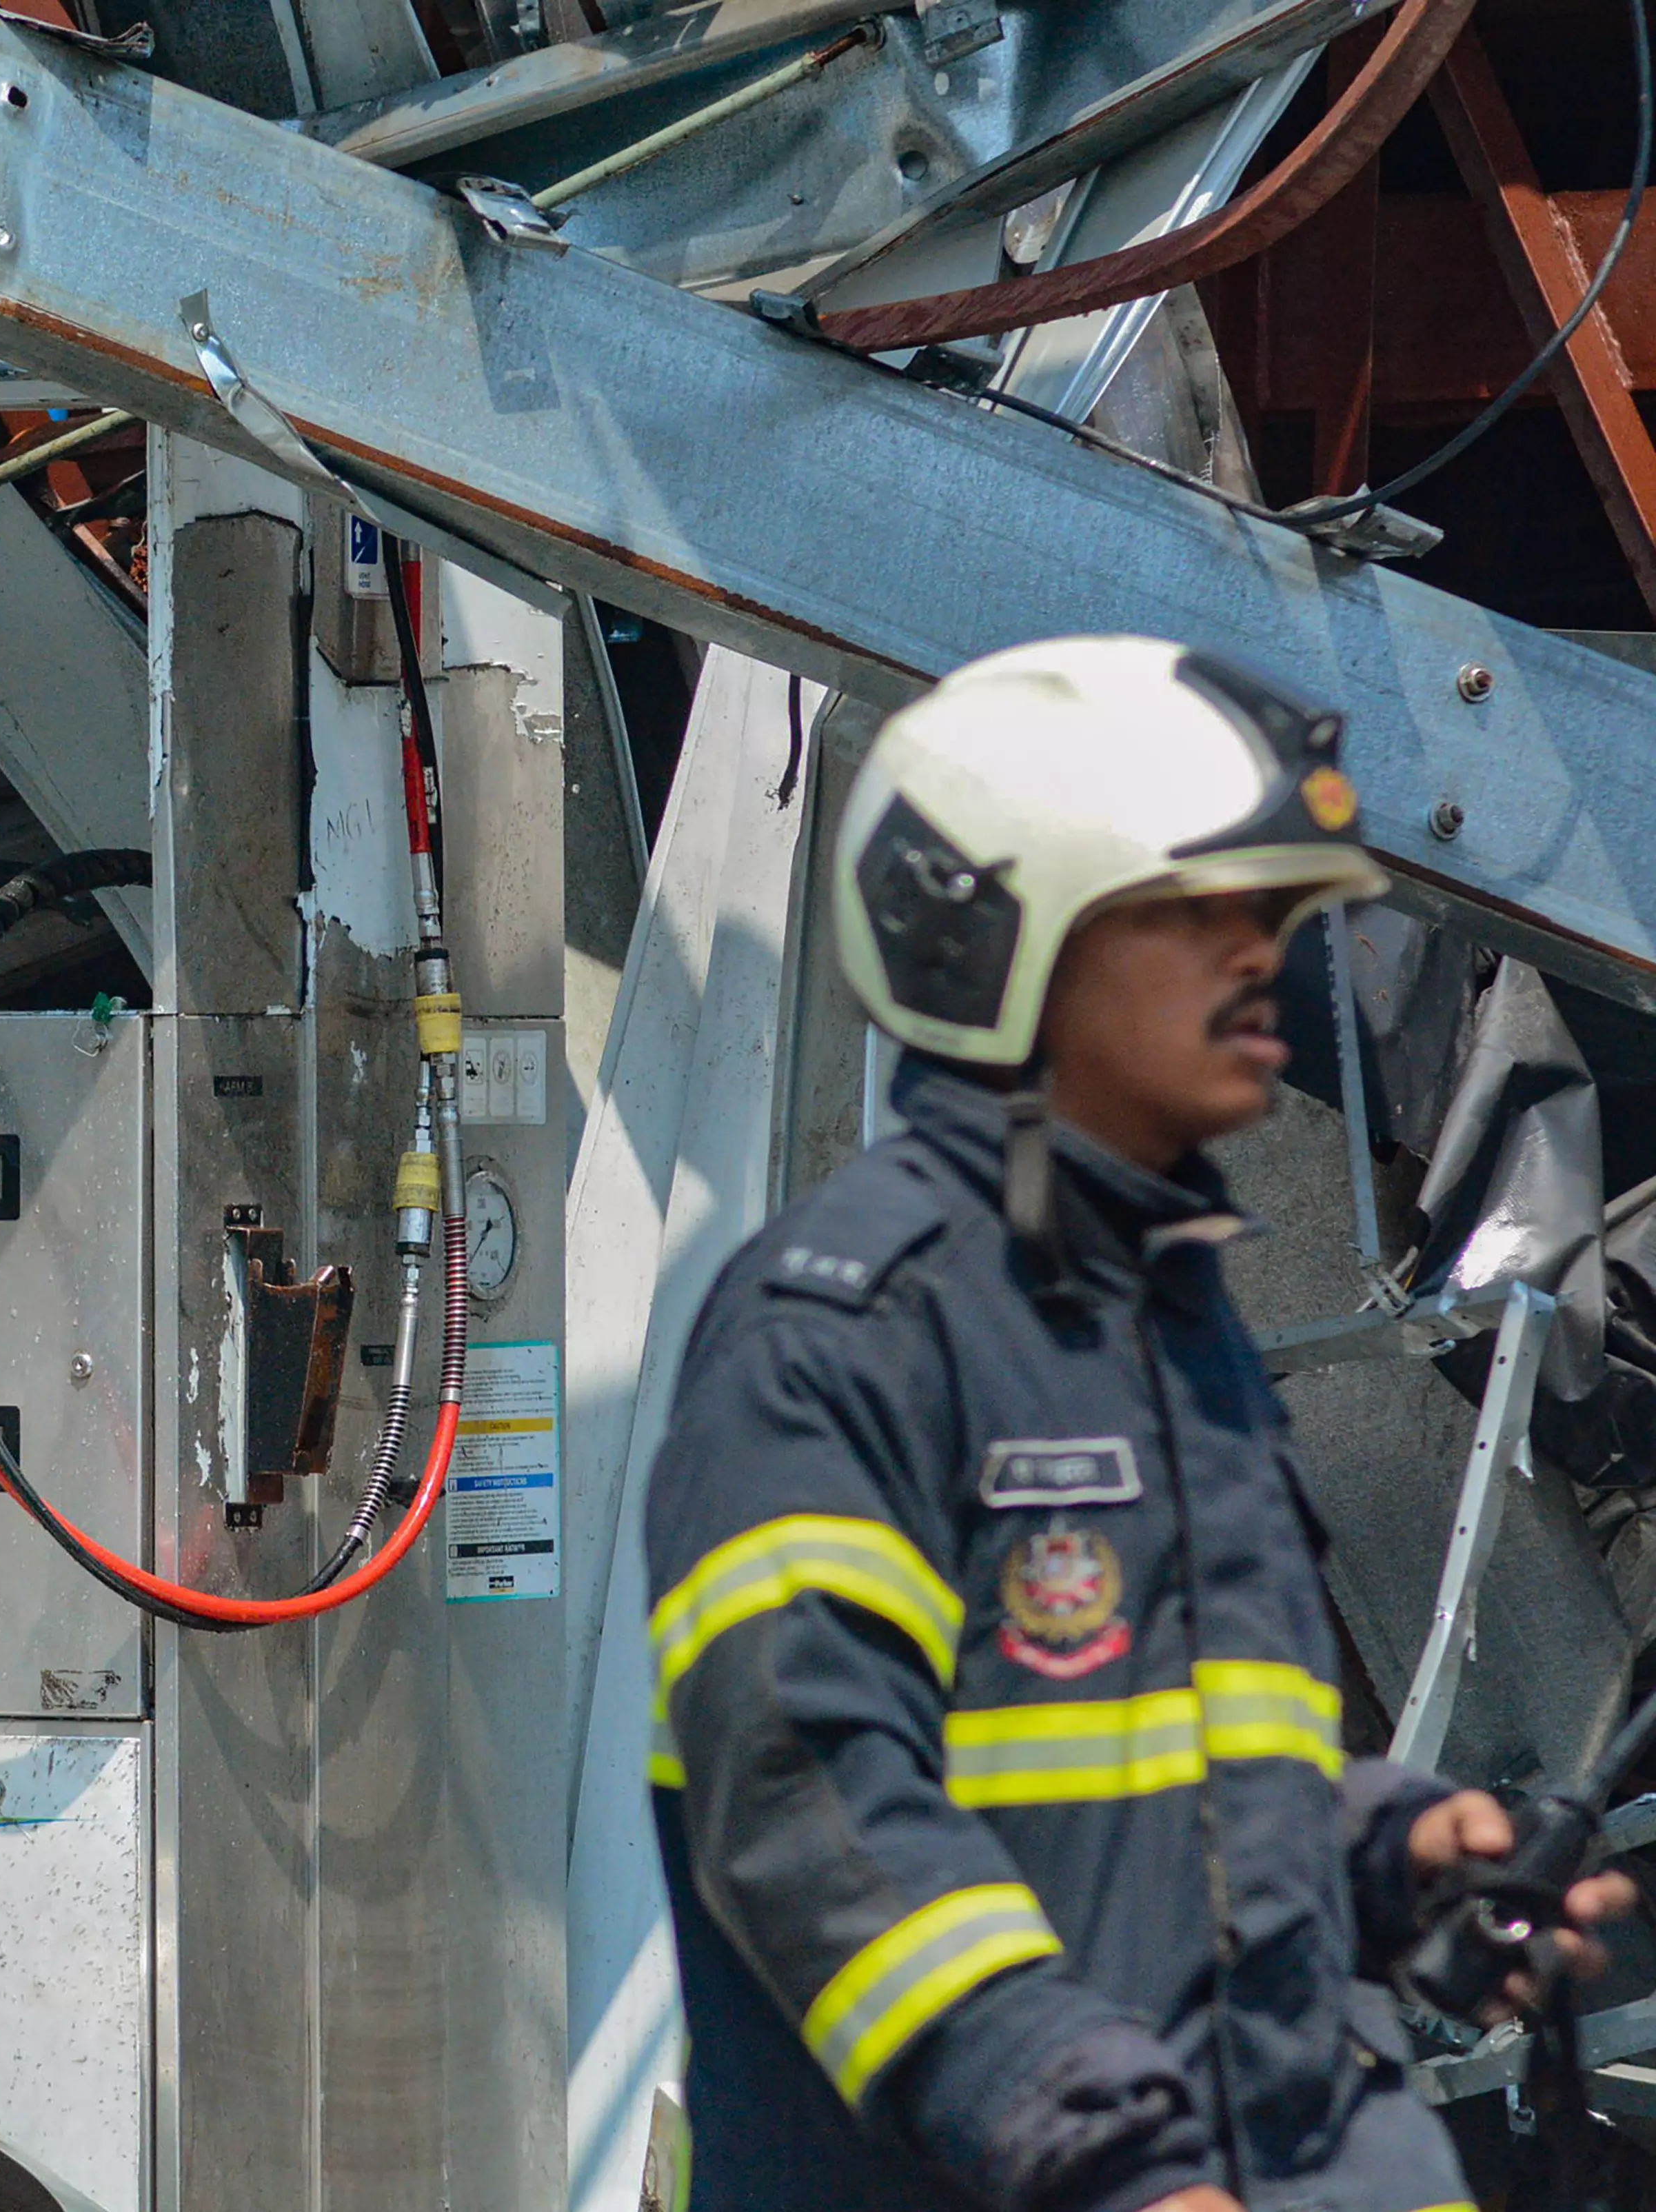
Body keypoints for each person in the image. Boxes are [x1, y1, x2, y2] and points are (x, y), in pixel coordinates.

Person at [645, 637, 1639, 2212]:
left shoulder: (1172, 1327)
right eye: (1194, 911)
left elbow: (1170, 1796)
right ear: (997, 941)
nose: (1266, 955)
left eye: (1269, 910)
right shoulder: (848, 1326)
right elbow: (810, 1800)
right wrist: (1100, 2146)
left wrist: (1394, 1856)